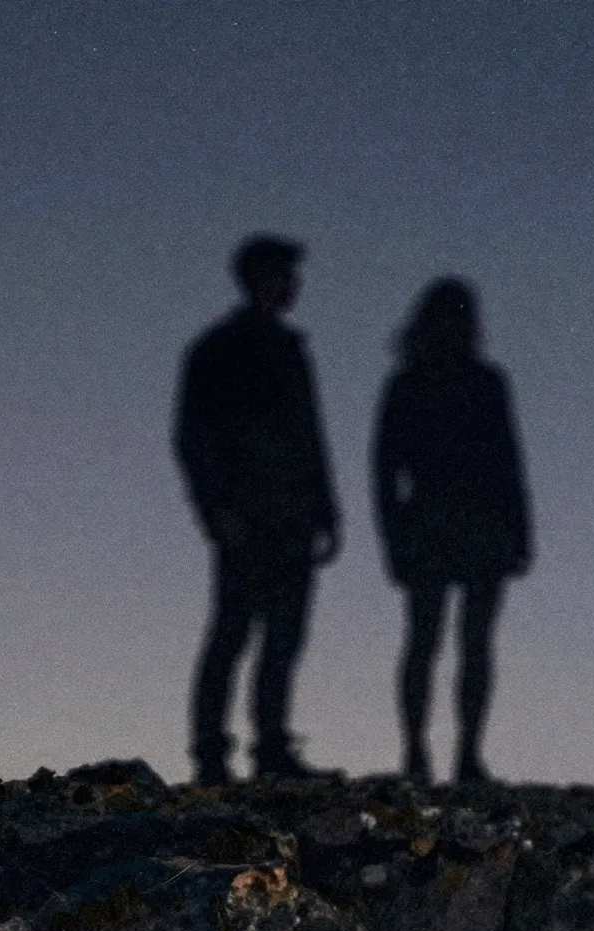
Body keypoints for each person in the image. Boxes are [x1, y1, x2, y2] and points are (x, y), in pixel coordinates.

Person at [174, 235, 342, 785]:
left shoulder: (290, 348)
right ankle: (211, 753)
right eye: (282, 273)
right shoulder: (218, 348)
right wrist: (215, 507)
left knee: (284, 636)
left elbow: (310, 436)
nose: (292, 285)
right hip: (245, 514)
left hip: (293, 515)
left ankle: (271, 746)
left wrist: (326, 510)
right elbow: (193, 435)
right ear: (256, 277)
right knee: (233, 631)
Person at [371, 278, 533, 784]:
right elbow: (385, 470)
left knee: (470, 645)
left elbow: (508, 461)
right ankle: (418, 753)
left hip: (477, 526)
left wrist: (520, 530)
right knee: (428, 642)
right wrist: (393, 538)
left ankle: (464, 755)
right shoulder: (408, 385)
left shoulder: (486, 382)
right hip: (433, 524)